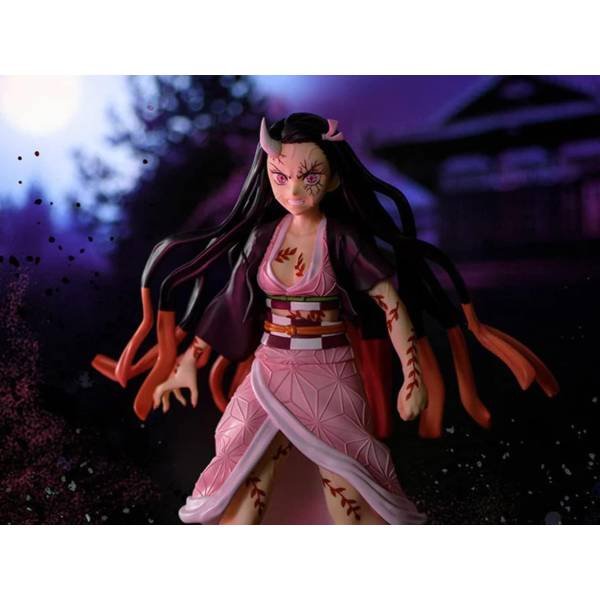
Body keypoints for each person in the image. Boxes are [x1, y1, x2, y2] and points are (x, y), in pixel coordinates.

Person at [92, 113, 558, 525]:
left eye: (309, 176)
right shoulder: (262, 238)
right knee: (246, 473)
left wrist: (411, 376)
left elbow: (391, 306)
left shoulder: (342, 239)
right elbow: (232, 304)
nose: (294, 190)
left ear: (333, 179)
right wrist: (188, 362)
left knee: (345, 481)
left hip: (327, 374)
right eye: (280, 177)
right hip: (268, 371)